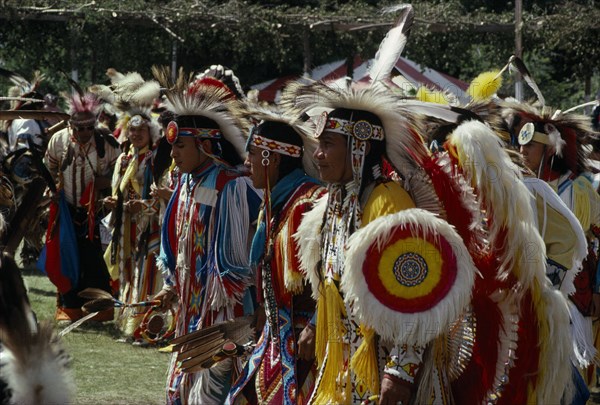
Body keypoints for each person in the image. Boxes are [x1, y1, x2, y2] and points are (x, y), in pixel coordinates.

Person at [286, 82, 428, 404]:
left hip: (381, 365)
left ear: (359, 147)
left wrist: (401, 372)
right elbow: (333, 280)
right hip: (342, 367)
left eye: (328, 143)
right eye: (317, 144)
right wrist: (314, 322)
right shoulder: (334, 202)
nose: (318, 154)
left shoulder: (388, 203)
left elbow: (416, 295)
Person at [152, 69, 262, 404]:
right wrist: (171, 287)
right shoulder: (186, 183)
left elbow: (234, 271)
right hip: (190, 312)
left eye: (180, 146)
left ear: (205, 143)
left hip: (222, 318)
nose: (173, 155)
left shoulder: (231, 185)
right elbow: (176, 242)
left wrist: (223, 324)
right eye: (172, 147)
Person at [226, 106, 325, 404]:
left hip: (304, 345)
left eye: (253, 154)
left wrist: (316, 324)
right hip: (274, 339)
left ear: (273, 157)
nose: (247, 163)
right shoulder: (275, 203)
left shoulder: (310, 203)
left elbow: (335, 274)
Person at [41, 90, 120, 322]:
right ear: (71, 126)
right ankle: (70, 308)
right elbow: (50, 168)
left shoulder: (107, 143)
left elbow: (120, 172)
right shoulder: (59, 141)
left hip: (97, 210)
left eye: (88, 128)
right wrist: (53, 190)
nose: (84, 132)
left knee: (95, 261)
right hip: (65, 210)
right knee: (66, 257)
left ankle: (99, 310)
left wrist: (101, 184)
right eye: (79, 128)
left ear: (94, 124)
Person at [103, 112, 164, 341]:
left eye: (142, 130)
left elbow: (164, 198)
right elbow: (117, 192)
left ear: (151, 133)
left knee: (146, 275)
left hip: (148, 227)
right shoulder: (123, 159)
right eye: (133, 129)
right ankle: (128, 324)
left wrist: (144, 207)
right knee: (129, 274)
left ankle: (145, 327)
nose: (136, 134)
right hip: (126, 227)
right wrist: (114, 203)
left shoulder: (157, 160)